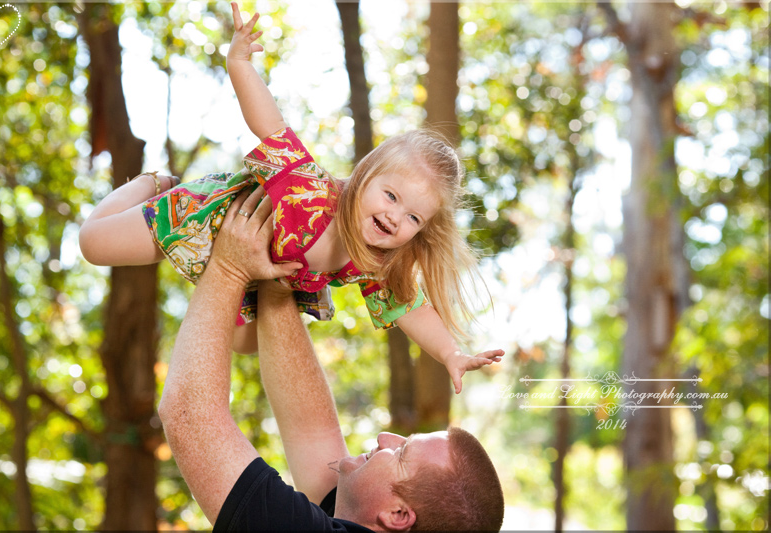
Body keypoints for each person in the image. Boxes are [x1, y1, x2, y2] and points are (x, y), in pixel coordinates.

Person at [78, 2, 503, 394]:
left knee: (246, 343)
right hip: (209, 219)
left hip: (249, 273)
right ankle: (154, 184)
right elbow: (270, 125)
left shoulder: (375, 261)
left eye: (413, 218)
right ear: (363, 176)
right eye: (391, 195)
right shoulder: (311, 191)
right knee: (94, 246)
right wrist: (239, 62)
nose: (395, 217)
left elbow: (411, 310)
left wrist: (451, 353)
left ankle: (206, 271)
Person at [158, 185, 505, 531]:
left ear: (398, 515)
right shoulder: (355, 516)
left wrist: (229, 267)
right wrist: (281, 273)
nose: (386, 437)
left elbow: (190, 414)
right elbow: (311, 432)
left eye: (401, 454)